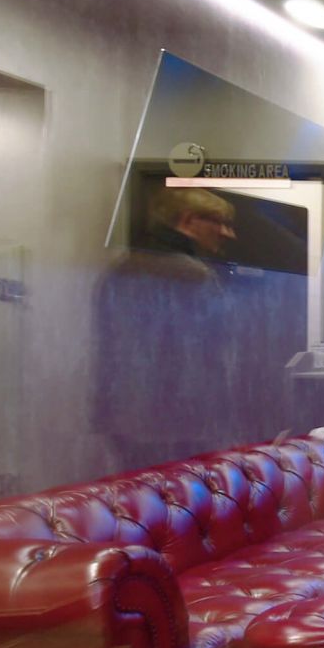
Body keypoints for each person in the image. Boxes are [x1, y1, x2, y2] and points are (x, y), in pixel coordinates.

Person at [93, 185, 246, 471]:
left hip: (124, 420)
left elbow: (107, 352)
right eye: (219, 222)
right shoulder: (194, 275)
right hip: (185, 425)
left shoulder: (118, 269)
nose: (228, 233)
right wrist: (226, 426)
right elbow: (213, 357)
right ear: (188, 220)